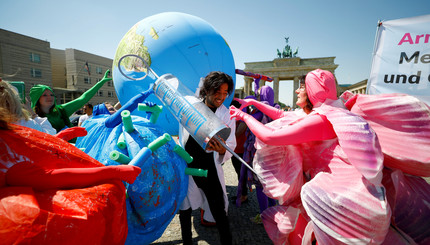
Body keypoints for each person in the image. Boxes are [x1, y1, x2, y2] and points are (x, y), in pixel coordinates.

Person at [230, 69, 390, 244]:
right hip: (321, 186)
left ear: (313, 91)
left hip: (329, 195)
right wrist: (255, 103)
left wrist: (243, 116)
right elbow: (283, 115)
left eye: (302, 87)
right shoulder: (327, 112)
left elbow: (270, 137)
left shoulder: (321, 119)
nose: (297, 91)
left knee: (303, 234)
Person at [179, 71, 236, 245]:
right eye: (217, 92)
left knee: (219, 209)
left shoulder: (227, 114)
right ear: (207, 90)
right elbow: (182, 132)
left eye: (225, 93)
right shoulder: (192, 107)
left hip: (209, 168)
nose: (221, 97)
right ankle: (187, 241)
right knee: (185, 208)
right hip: (188, 165)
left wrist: (221, 151)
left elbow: (231, 144)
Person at [30, 70, 111, 132]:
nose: (50, 97)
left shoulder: (61, 110)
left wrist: (101, 82)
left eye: (51, 95)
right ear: (37, 98)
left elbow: (83, 99)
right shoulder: (30, 118)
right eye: (45, 95)